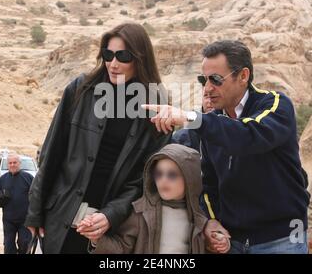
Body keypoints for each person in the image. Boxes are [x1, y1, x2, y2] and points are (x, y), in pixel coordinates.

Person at [143, 40, 310, 254]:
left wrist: (190, 117)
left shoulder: (276, 105)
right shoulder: (213, 123)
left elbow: (247, 135)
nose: (208, 87)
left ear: (243, 76)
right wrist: (210, 221)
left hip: (281, 239)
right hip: (231, 241)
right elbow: (209, 181)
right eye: (204, 79)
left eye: (216, 79)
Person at [25, 23, 171, 254]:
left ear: (140, 58)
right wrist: (34, 212)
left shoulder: (157, 106)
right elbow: (51, 153)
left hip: (112, 230)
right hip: (61, 217)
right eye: (108, 54)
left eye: (123, 56)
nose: (113, 64)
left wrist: (110, 215)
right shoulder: (80, 89)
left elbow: (144, 179)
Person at [79, 144, 209, 254]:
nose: (163, 180)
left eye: (172, 175)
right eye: (158, 174)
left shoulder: (199, 217)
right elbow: (122, 247)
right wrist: (98, 240)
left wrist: (218, 241)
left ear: (190, 178)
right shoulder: (142, 212)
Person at [0, 153, 33, 254]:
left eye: (15, 162)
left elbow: (37, 197)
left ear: (19, 164)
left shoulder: (28, 178)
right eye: (10, 163)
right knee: (8, 247)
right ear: (7, 165)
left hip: (25, 220)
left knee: (24, 244)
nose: (12, 165)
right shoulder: (2, 180)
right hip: (9, 220)